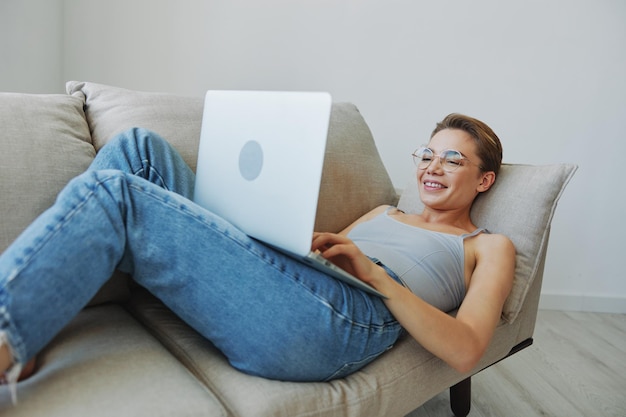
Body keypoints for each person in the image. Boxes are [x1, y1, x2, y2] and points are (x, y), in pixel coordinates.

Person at [0, 113, 515, 400]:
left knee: (117, 192)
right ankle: (32, 312)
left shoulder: (487, 246)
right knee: (138, 149)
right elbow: (324, 252)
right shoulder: (384, 211)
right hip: (297, 284)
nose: (433, 167)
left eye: (452, 160)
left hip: (348, 320)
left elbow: (467, 348)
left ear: (484, 180)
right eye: (427, 154)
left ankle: (8, 332)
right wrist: (278, 227)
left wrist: (378, 279)